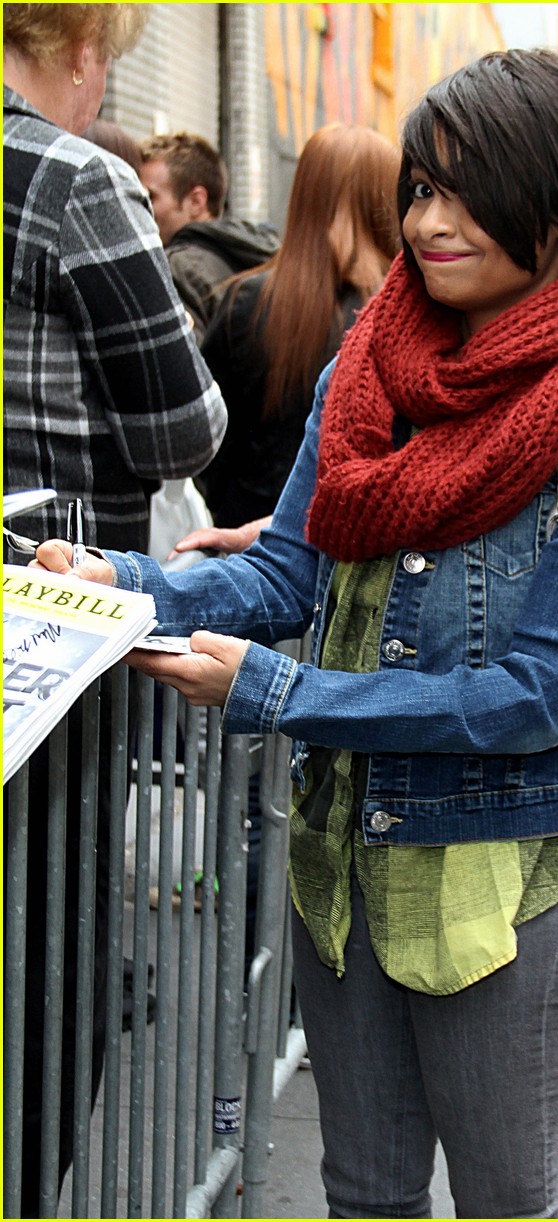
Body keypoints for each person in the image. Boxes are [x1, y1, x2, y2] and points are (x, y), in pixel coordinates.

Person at [34, 50, 558, 1218]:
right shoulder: (366, 365)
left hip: (510, 876)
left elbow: (541, 694)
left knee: (502, 1194)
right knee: (365, 1188)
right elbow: (288, 570)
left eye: (466, 191)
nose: (430, 222)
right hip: (345, 854)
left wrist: (280, 695)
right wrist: (118, 579)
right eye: (419, 189)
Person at [3, 5, 227, 1214]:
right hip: (40, 626)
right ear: (83, 49)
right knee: (50, 960)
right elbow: (182, 427)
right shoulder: (71, 179)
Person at [188, 122, 400, 537]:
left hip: (245, 544)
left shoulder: (245, 303)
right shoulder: (404, 317)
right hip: (360, 550)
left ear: (305, 197)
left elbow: (209, 438)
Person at [139, 132, 280, 341]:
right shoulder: (263, 254)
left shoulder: (176, 267)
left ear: (196, 201)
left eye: (150, 197)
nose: (140, 207)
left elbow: (186, 364)